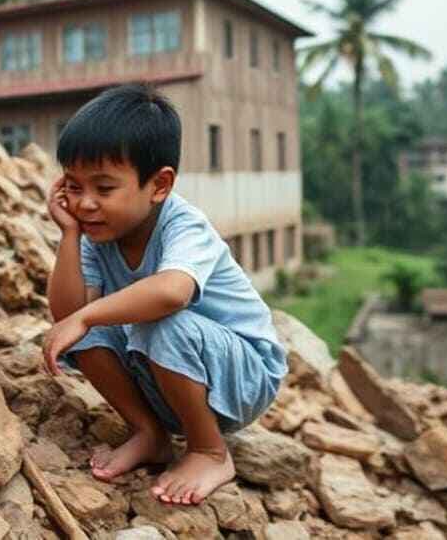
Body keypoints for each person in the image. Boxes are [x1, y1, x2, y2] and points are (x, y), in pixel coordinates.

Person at [42, 84, 287, 505]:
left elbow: (173, 292)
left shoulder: (184, 225)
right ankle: (150, 433)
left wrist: (86, 317)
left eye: (103, 189)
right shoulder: (95, 236)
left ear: (159, 185)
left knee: (157, 319)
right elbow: (68, 315)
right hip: (165, 378)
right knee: (88, 325)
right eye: (75, 187)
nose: (85, 204)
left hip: (242, 378)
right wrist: (69, 235)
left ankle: (209, 450)